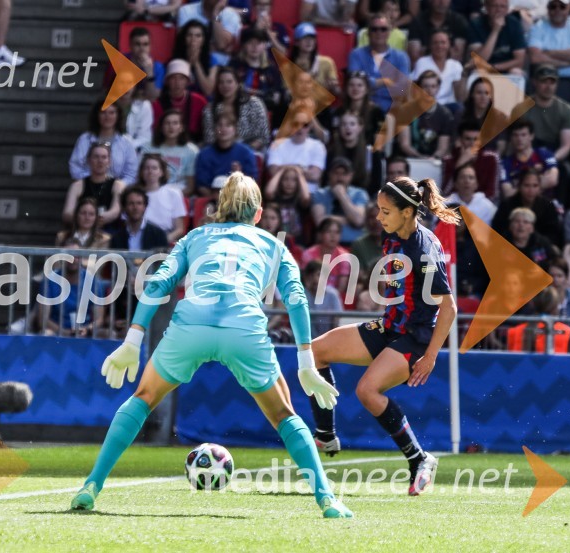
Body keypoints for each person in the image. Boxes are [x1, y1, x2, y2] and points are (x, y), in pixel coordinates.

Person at [70, 172, 352, 519]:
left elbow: (158, 283)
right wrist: (306, 362)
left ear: (219, 208)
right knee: (284, 415)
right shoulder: (274, 245)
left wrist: (133, 340)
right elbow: (296, 299)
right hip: (243, 329)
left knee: (142, 399)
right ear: (259, 213)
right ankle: (327, 500)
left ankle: (91, 487)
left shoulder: (194, 236)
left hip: (192, 324)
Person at [308, 176, 459, 496]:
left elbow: (449, 308)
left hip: (414, 338)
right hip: (389, 327)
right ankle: (325, 433)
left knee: (367, 390)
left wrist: (430, 356)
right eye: (378, 209)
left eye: (385, 211)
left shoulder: (423, 250)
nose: (378, 217)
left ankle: (420, 459)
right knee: (314, 352)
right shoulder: (392, 236)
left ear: (407, 212)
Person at [347, 12, 411, 113]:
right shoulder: (356, 54)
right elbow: (355, 83)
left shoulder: (401, 57)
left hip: (392, 108)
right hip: (363, 108)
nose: (379, 33)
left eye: (383, 29)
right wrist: (386, 81)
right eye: (374, 29)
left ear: (389, 32)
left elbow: (403, 89)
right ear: (368, 33)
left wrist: (371, 83)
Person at [201, 66, 270, 151]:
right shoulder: (210, 109)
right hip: (221, 152)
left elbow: (264, 137)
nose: (225, 85)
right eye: (221, 82)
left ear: (237, 84)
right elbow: (210, 140)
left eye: (229, 82)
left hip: (250, 151)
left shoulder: (254, 104)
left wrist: (243, 151)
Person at [69, 101, 139, 184]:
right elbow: (76, 167)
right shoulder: (85, 139)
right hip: (88, 189)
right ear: (97, 115)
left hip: (117, 191)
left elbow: (131, 174)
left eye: (112, 113)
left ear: (118, 116)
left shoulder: (126, 143)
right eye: (103, 112)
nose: (107, 117)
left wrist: (116, 186)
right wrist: (92, 183)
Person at [62, 142, 125, 227]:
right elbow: (67, 213)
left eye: (104, 157)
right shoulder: (77, 186)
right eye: (96, 157)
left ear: (109, 161)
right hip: (82, 229)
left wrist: (91, 218)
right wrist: (87, 220)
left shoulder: (118, 185)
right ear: (89, 160)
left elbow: (115, 212)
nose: (100, 161)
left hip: (108, 231)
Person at [140, 109, 199, 196]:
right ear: (161, 127)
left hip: (179, 193)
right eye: (167, 123)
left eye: (175, 123)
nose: (171, 127)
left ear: (181, 127)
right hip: (152, 191)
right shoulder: (148, 148)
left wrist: (172, 197)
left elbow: (190, 186)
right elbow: (141, 178)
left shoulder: (191, 151)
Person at [137, 154, 187, 243]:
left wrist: (163, 241)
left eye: (154, 168)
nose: (150, 171)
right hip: (139, 238)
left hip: (165, 238)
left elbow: (179, 229)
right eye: (146, 168)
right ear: (141, 172)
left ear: (162, 172)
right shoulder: (134, 194)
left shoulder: (174, 193)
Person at [467, 0, 526, 74]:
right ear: (487, 7)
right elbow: (479, 60)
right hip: (481, 68)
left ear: (507, 9)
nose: (498, 10)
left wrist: (493, 67)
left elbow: (520, 61)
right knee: (476, 71)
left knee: (516, 72)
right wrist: (495, 31)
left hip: (505, 67)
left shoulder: (514, 24)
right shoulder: (476, 24)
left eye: (502, 6)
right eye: (494, 6)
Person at [110, 186, 170, 251]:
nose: (135, 207)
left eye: (139, 203)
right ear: (124, 207)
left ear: (145, 207)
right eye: (131, 203)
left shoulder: (158, 234)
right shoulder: (117, 237)